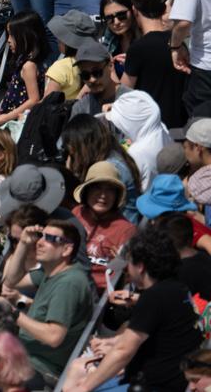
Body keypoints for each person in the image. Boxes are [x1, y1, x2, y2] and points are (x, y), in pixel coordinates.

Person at [61, 225, 201, 392]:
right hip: (173, 380)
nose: (127, 270)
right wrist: (111, 342)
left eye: (128, 264)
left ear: (140, 266)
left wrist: (84, 388)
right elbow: (161, 336)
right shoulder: (178, 289)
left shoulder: (154, 297)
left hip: (152, 385)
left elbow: (123, 351)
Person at [72, 161, 137, 290]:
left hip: (99, 295)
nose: (103, 195)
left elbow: (132, 277)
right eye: (97, 188)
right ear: (87, 191)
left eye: (110, 190)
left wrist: (121, 265)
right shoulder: (76, 214)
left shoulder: (126, 230)